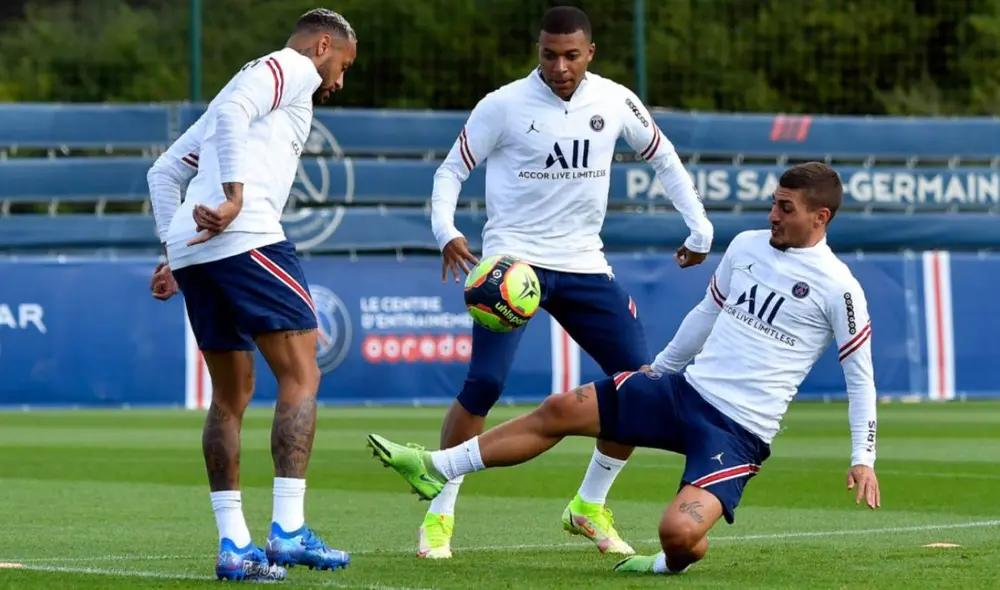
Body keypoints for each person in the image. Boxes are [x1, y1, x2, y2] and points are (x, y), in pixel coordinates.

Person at [369, 162, 882, 575]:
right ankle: (437, 467)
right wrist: (658, 372)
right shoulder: (747, 246)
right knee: (561, 408)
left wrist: (863, 457)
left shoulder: (839, 288)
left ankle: (665, 564)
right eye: (773, 202)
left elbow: (860, 377)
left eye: (785, 208)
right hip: (683, 391)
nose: (772, 214)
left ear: (820, 217)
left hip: (738, 431)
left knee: (679, 536)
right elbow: (706, 313)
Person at [424, 5, 714, 559]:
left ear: (590, 54)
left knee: (638, 385)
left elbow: (665, 157)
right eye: (549, 55)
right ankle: (441, 510)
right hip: (513, 268)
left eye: (571, 56)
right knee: (484, 384)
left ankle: (588, 504)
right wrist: (446, 232)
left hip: (584, 263)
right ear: (539, 51)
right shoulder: (503, 104)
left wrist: (699, 224)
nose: (559, 66)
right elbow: (451, 171)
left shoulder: (614, 99)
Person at [146, 8, 357, 582]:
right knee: (302, 374)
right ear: (321, 46)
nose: (339, 81)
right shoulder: (286, 67)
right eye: (342, 65)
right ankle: (288, 529)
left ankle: (234, 545)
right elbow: (237, 114)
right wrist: (236, 198)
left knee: (231, 395)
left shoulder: (237, 90)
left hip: (198, 248)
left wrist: (172, 249)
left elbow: (163, 172)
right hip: (246, 235)